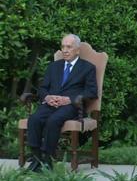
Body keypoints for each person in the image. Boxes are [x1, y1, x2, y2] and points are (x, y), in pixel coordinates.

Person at [27, 34, 98, 172]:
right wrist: (47, 97)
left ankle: (47, 159)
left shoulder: (88, 68)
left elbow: (92, 92)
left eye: (69, 47)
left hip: (73, 106)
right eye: (63, 46)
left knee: (53, 120)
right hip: (51, 104)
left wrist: (69, 99)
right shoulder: (54, 67)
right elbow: (42, 88)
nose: (65, 50)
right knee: (34, 119)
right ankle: (36, 158)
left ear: (77, 50)